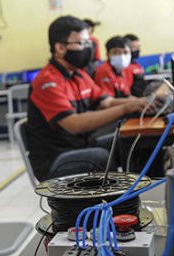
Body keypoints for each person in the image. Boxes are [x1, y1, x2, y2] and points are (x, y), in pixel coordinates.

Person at [26, 16, 149, 181]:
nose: (88, 48)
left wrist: (141, 102)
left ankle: (142, 193)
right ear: (60, 48)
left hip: (79, 146)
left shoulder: (79, 75)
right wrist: (125, 109)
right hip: (55, 159)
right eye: (82, 43)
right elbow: (75, 124)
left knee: (132, 141)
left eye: (88, 42)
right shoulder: (47, 81)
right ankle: (115, 204)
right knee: (99, 158)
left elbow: (107, 102)